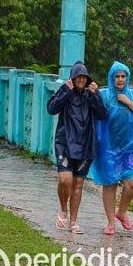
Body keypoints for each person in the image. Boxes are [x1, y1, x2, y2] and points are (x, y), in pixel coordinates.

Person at [89, 61, 133, 235]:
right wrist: (92, 91)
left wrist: (128, 103)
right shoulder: (104, 95)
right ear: (111, 78)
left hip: (131, 148)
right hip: (109, 148)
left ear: (127, 78)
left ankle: (121, 212)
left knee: (132, 184)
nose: (120, 79)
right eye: (116, 76)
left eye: (123, 76)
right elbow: (92, 105)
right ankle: (111, 223)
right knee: (110, 183)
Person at [47, 61, 107, 234]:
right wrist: (65, 91)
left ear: (88, 79)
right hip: (65, 143)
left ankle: (73, 221)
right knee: (65, 180)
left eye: (84, 77)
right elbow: (51, 108)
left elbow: (102, 114)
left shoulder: (91, 94)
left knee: (78, 183)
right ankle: (62, 209)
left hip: (86, 145)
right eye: (78, 76)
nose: (81, 80)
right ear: (73, 78)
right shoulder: (66, 92)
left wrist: (96, 96)